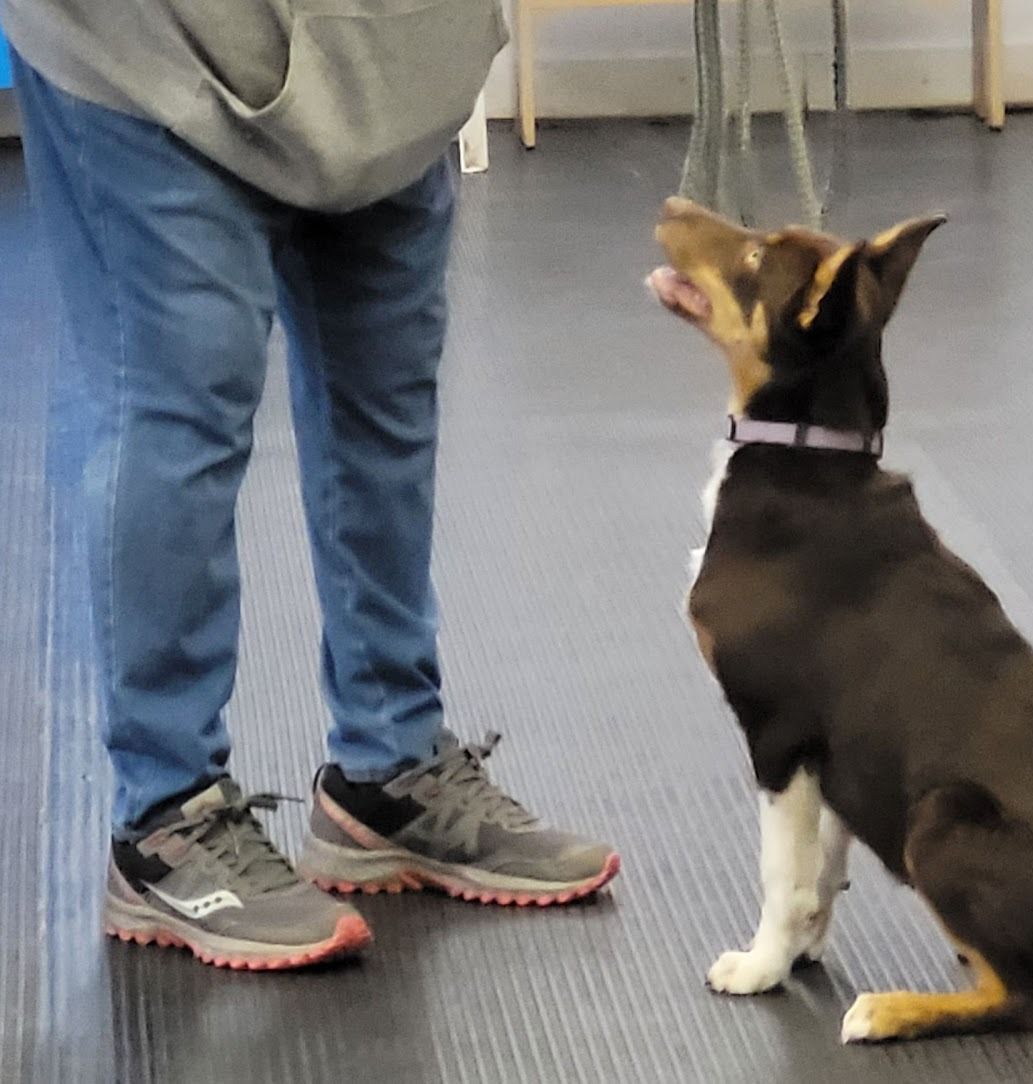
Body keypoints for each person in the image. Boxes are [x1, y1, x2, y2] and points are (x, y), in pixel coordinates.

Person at [5, 1, 619, 969]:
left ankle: (390, 761)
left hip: (390, 53)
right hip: (151, 46)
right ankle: (165, 817)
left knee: (385, 385)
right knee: (180, 402)